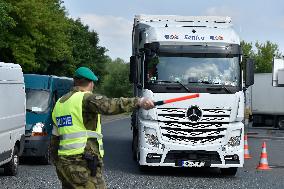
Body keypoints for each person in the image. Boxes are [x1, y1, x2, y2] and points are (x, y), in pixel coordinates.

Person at [51, 67, 155, 189]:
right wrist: (139, 101)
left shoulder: (60, 103)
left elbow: (55, 139)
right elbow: (110, 105)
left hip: (64, 164)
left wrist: (57, 162)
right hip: (82, 163)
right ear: (91, 83)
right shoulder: (85, 98)